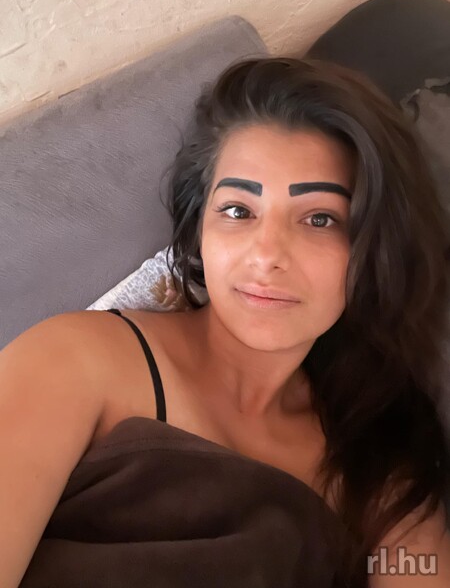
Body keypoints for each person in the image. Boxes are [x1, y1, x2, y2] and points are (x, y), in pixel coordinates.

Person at [1, 56, 449, 587]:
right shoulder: (76, 360)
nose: (267, 256)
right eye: (238, 211)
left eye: (319, 218)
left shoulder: (380, 471)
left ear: (376, 248)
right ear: (199, 231)